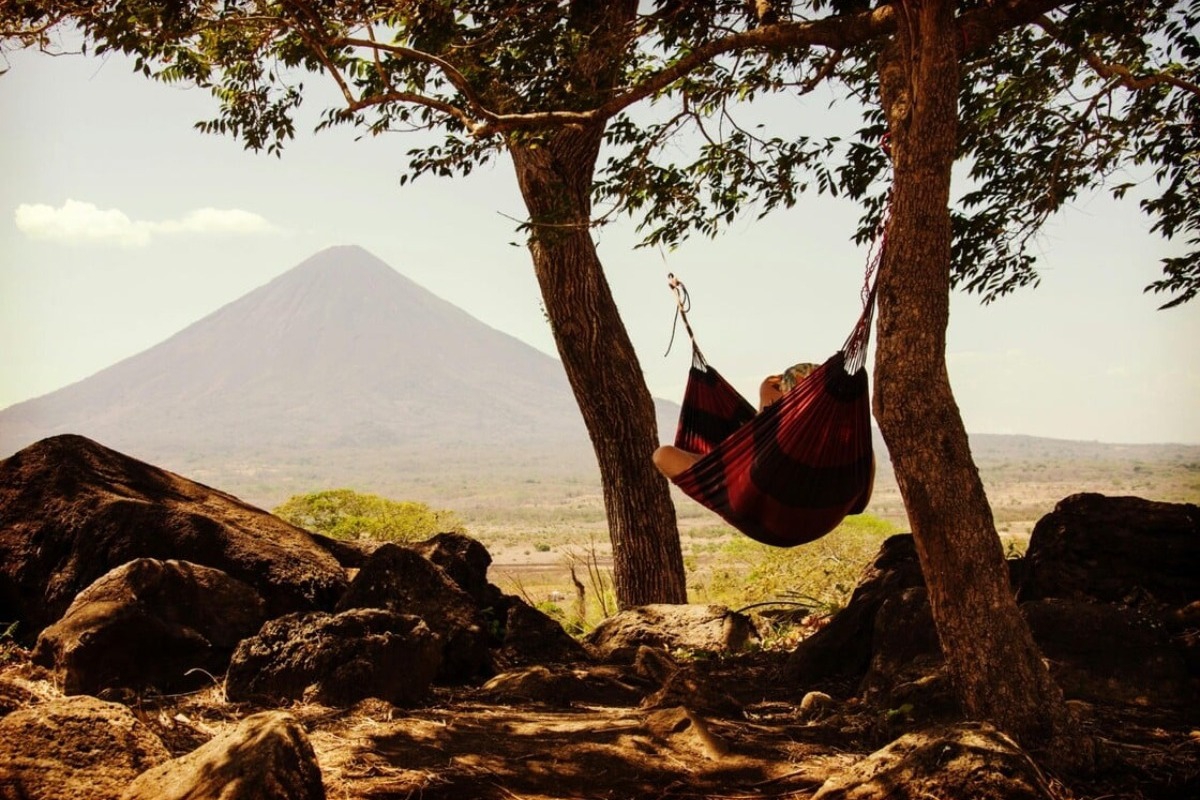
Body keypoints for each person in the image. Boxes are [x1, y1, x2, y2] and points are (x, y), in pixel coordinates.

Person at [652, 362, 819, 480]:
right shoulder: (764, 431)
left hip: (760, 474)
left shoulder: (810, 439)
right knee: (664, 455)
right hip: (741, 464)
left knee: (664, 456)